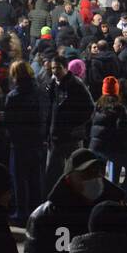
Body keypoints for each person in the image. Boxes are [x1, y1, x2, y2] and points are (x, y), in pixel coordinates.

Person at [3, 58, 46, 226]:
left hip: (19, 143)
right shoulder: (40, 91)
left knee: (20, 180)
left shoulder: (13, 96)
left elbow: (9, 122)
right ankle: (37, 212)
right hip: (37, 141)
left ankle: (21, 214)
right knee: (36, 178)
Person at [44, 55, 94, 187]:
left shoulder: (76, 85)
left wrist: (74, 125)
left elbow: (89, 108)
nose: (55, 71)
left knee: (75, 171)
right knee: (53, 173)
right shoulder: (52, 85)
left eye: (58, 68)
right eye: (53, 68)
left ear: (66, 68)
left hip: (71, 137)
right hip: (55, 136)